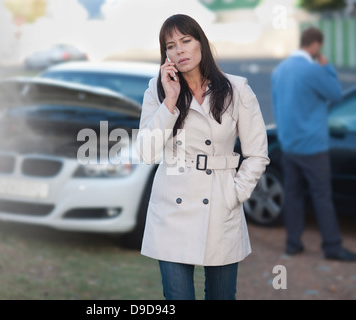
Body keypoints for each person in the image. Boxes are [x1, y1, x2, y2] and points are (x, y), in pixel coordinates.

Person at [134, 14, 270, 300]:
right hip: (172, 208)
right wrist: (170, 101)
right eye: (171, 45)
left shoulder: (236, 89)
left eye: (186, 41)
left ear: (201, 43)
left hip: (221, 203)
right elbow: (146, 152)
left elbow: (257, 154)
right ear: (166, 54)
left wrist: (235, 194)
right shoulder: (157, 90)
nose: (179, 50)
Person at [271, 27, 356, 261]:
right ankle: (332, 247)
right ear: (316, 45)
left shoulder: (280, 70)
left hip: (289, 145)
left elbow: (278, 107)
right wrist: (326, 66)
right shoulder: (312, 70)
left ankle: (293, 243)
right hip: (313, 147)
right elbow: (336, 95)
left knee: (294, 195)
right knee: (321, 196)